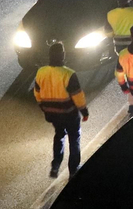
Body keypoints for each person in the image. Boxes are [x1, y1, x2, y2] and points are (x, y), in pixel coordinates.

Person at [33, 42, 89, 178]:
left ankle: (55, 166)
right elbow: (78, 96)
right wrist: (84, 111)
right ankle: (73, 170)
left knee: (59, 135)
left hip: (52, 114)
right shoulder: (69, 74)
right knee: (74, 138)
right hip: (69, 114)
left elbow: (37, 93)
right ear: (63, 56)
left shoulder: (41, 72)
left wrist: (43, 107)